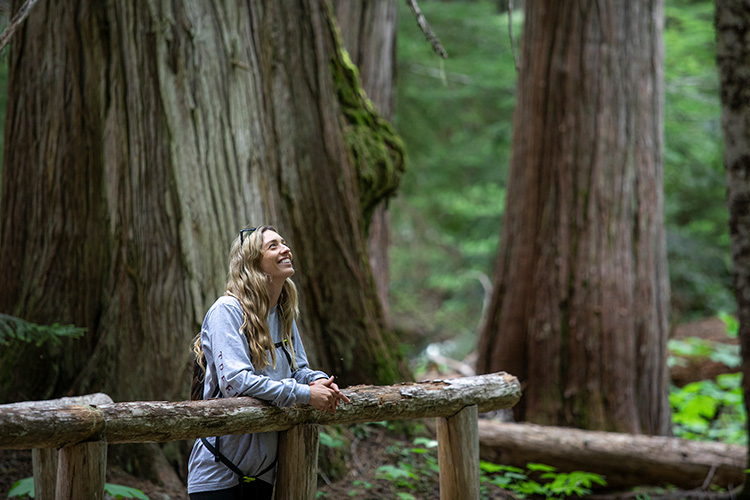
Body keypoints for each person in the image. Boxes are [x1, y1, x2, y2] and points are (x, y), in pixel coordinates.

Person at [187, 225, 350, 500]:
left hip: (264, 475)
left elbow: (298, 370)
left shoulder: (283, 312)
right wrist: (306, 394)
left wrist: (317, 380)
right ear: (252, 263)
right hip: (217, 475)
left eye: (284, 243)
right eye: (273, 246)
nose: (286, 249)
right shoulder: (227, 311)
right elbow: (236, 383)